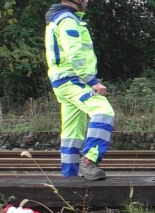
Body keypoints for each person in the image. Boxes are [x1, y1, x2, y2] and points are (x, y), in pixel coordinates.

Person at [44, 0, 114, 181]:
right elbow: (74, 53)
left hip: (62, 81)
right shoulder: (68, 19)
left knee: (72, 132)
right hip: (72, 79)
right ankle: (90, 161)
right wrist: (92, 81)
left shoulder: (57, 18)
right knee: (103, 111)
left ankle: (69, 178)